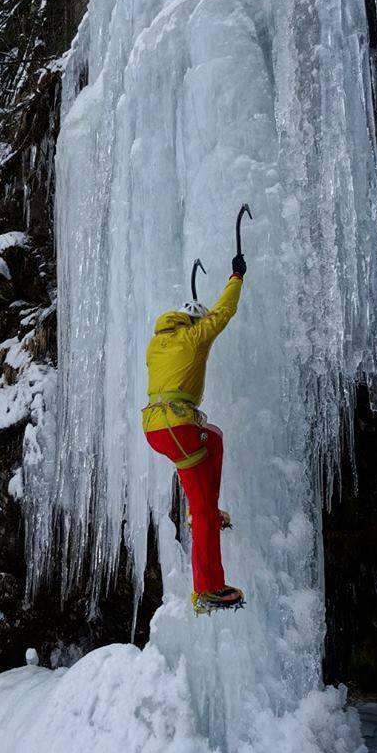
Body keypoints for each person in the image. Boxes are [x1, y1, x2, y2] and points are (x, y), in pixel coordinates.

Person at [142, 252, 247, 614]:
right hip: (177, 427)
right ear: (192, 322)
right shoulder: (193, 337)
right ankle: (208, 587)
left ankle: (206, 511)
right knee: (202, 511)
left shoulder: (157, 343)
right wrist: (236, 277)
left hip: (159, 428)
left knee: (213, 439)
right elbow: (222, 314)